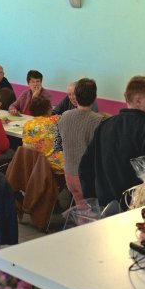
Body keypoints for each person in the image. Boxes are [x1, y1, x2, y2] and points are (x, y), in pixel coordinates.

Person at [80, 76, 145, 207]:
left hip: (106, 206)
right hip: (138, 207)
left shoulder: (105, 125)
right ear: (138, 101)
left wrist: (92, 199)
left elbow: (85, 166)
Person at [57, 78, 106, 207]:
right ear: (94, 97)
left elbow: (58, 145)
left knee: (81, 208)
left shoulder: (64, 116)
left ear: (76, 96)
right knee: (91, 211)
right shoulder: (100, 121)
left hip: (69, 174)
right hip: (88, 177)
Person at [22, 95, 63, 173]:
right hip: (51, 165)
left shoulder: (27, 124)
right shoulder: (54, 122)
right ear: (48, 109)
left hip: (32, 163)